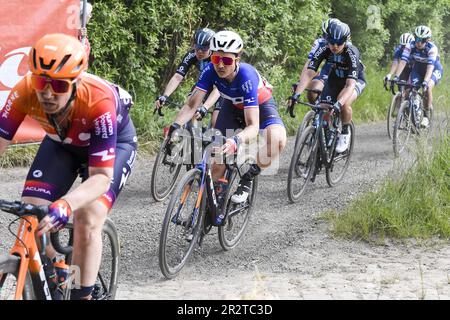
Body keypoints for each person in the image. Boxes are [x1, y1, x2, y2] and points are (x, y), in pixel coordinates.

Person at [0, 33, 137, 299]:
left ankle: (82, 293)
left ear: (76, 82)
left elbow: (100, 178)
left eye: (60, 86)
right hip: (61, 143)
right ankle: (57, 270)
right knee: (32, 210)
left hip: (112, 147)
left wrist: (66, 204)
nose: (48, 93)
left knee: (87, 216)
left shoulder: (99, 102)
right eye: (42, 82)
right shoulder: (24, 91)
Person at [166, 30, 286, 205]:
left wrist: (235, 140)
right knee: (217, 165)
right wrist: (175, 126)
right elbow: (192, 105)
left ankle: (248, 177)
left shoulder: (247, 76)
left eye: (227, 60)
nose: (220, 65)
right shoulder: (209, 71)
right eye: (216, 59)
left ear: (237, 58)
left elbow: (253, 126)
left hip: (260, 108)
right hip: (231, 107)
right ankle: (206, 211)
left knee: (278, 140)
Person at [288, 21, 366, 153]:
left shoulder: (351, 53)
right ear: (327, 39)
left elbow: (350, 85)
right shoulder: (324, 48)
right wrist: (297, 94)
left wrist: (338, 104)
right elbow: (309, 72)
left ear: (345, 41)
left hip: (354, 80)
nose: (335, 46)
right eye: (331, 42)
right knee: (323, 105)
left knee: (344, 103)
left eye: (339, 43)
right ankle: (326, 132)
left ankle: (345, 132)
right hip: (335, 79)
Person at [154, 28, 221, 125]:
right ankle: (191, 136)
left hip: (222, 88)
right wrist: (165, 96)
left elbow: (218, 88)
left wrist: (205, 107)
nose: (199, 52)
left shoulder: (217, 59)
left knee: (216, 122)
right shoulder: (192, 55)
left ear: (211, 48)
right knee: (191, 107)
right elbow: (178, 76)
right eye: (197, 47)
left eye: (204, 49)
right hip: (205, 84)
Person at [393, 25, 443, 127]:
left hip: (433, 69)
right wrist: (396, 77)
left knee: (427, 87)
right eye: (417, 39)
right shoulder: (410, 45)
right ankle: (411, 113)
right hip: (418, 69)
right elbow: (402, 62)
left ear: (428, 40)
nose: (419, 42)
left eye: (422, 40)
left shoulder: (432, 48)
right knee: (409, 90)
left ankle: (426, 115)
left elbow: (430, 68)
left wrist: (425, 82)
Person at [300, 18, 341, 104]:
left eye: (329, 36)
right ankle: (317, 114)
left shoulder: (345, 45)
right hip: (327, 70)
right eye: (324, 35)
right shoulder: (319, 43)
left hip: (342, 73)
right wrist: (301, 85)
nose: (326, 39)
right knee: (312, 92)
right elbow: (309, 64)